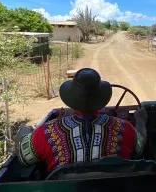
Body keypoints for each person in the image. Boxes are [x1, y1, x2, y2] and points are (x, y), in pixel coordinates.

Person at [14, 68, 147, 172]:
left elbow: (24, 157)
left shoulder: (48, 132)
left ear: (70, 99)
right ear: (101, 100)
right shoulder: (124, 128)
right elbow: (140, 148)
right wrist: (140, 119)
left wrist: (25, 130)